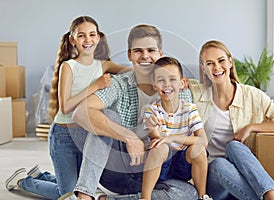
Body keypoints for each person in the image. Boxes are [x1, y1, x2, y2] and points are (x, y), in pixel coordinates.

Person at [63, 24, 199, 200]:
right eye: (138, 51)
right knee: (107, 117)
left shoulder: (178, 89)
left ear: (160, 54)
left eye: (151, 50)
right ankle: (85, 195)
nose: (145, 56)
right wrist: (129, 137)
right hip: (117, 171)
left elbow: (186, 138)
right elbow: (80, 112)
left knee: (189, 194)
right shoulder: (119, 84)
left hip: (155, 175)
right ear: (129, 55)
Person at [5, 15, 128, 199]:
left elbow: (134, 74)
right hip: (63, 137)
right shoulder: (68, 67)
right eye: (81, 36)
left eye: (92, 34)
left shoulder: (104, 65)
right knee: (68, 194)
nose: (88, 40)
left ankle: (41, 176)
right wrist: (95, 86)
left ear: (99, 37)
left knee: (80, 187)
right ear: (72, 40)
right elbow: (65, 106)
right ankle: (23, 180)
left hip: (85, 137)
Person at [188, 40, 274, 200]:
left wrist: (251, 127)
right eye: (209, 63)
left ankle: (271, 196)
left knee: (235, 146)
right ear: (203, 68)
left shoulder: (252, 95)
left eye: (221, 60)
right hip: (212, 179)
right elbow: (170, 84)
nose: (216, 68)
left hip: (244, 178)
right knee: (219, 164)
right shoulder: (195, 94)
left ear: (230, 62)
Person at [140, 56, 211, 200]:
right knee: (161, 147)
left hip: (182, 165)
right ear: (154, 85)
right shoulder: (151, 110)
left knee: (198, 149)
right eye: (161, 80)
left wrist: (172, 138)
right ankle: (145, 197)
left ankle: (202, 196)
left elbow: (203, 140)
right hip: (162, 165)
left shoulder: (189, 109)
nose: (167, 85)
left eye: (172, 79)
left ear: (182, 83)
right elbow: (157, 140)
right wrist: (154, 129)